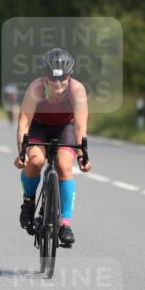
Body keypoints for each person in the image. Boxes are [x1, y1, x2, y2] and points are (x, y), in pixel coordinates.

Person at [14, 47, 91, 247]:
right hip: (39, 127)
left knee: (65, 166)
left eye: (63, 78)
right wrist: (21, 152)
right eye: (52, 78)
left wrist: (83, 155)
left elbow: (81, 126)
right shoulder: (36, 89)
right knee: (35, 160)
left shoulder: (77, 90)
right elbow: (24, 121)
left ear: (70, 75)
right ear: (45, 76)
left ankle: (65, 224)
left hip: (65, 127)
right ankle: (29, 203)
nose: (58, 82)